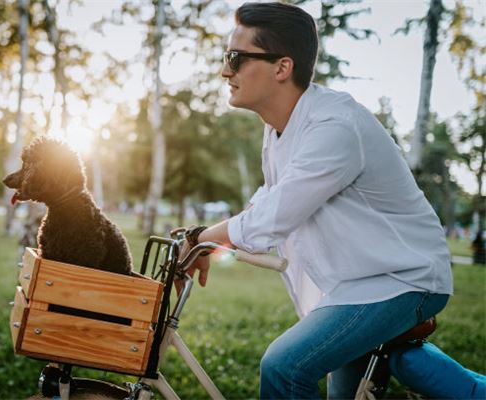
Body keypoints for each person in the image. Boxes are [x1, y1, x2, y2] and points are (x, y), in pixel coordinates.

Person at [179, 3, 455, 399]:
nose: (226, 71)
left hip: (403, 279)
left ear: (282, 67)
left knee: (285, 367)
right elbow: (270, 200)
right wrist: (208, 241)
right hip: (355, 286)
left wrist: (200, 237)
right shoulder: (281, 128)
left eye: (236, 58)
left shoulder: (334, 125)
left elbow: (276, 215)